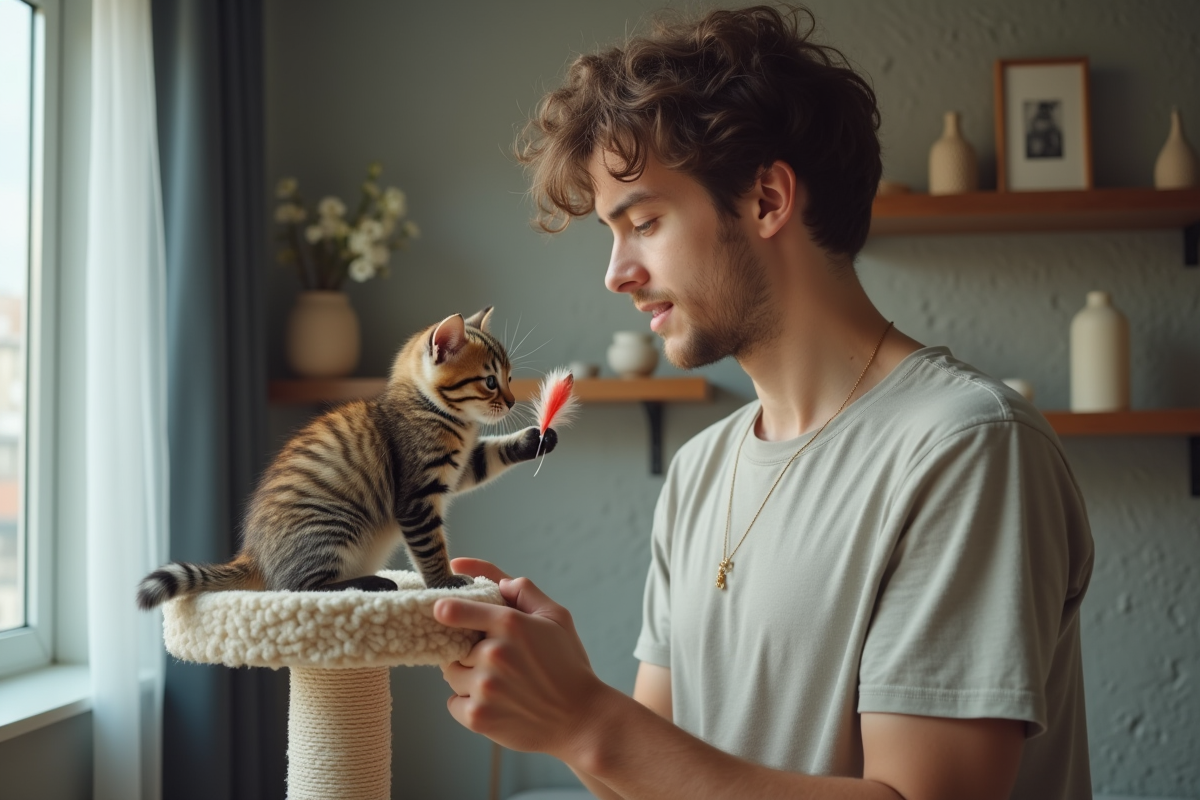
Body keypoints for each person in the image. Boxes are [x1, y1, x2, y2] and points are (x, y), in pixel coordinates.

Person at [433, 5, 1095, 799]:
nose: (616, 273)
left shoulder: (965, 447)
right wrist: (561, 697)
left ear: (769, 199)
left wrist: (585, 720)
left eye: (643, 221)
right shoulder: (699, 470)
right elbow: (657, 782)